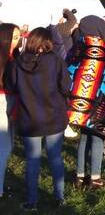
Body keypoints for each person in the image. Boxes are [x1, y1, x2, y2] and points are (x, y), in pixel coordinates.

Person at [6, 28, 69, 210]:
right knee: (55, 158)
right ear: (48, 41)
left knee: (32, 159)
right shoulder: (56, 61)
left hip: (29, 118)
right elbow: (66, 86)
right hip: (54, 117)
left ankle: (32, 201)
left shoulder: (18, 63)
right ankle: (59, 196)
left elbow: (11, 86)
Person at [67, 16, 105, 190]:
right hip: (100, 103)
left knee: (84, 137)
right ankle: (95, 177)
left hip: (79, 104)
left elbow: (68, 72)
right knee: (97, 137)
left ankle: (79, 176)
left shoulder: (76, 49)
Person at [0, 23, 20, 199]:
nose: (18, 40)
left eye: (19, 37)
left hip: (7, 101)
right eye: (14, 37)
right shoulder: (8, 59)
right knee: (4, 148)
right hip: (4, 101)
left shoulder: (12, 57)